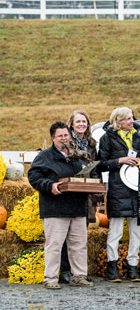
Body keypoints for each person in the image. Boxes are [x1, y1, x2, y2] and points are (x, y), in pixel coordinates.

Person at [28, 121, 94, 289]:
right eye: (60, 136)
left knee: (78, 245)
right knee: (55, 246)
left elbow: (85, 175)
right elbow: (34, 177)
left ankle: (79, 276)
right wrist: (50, 185)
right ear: (53, 138)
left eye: (66, 135)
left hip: (77, 209)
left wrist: (93, 187)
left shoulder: (77, 156)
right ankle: (50, 279)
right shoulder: (44, 157)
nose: (64, 138)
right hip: (55, 210)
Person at [98, 107, 140, 283]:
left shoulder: (138, 137)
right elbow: (101, 164)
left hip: (136, 189)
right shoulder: (106, 138)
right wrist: (120, 161)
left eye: (131, 118)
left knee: (136, 232)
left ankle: (133, 267)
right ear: (117, 122)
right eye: (127, 119)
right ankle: (113, 267)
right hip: (118, 190)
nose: (131, 121)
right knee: (115, 231)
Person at [57, 110, 99, 284]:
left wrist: (96, 183)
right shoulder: (66, 141)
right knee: (66, 235)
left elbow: (95, 166)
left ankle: (78, 272)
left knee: (80, 236)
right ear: (71, 124)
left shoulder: (91, 143)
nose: (82, 124)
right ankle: (65, 269)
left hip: (87, 193)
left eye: (84, 122)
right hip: (71, 191)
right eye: (78, 122)